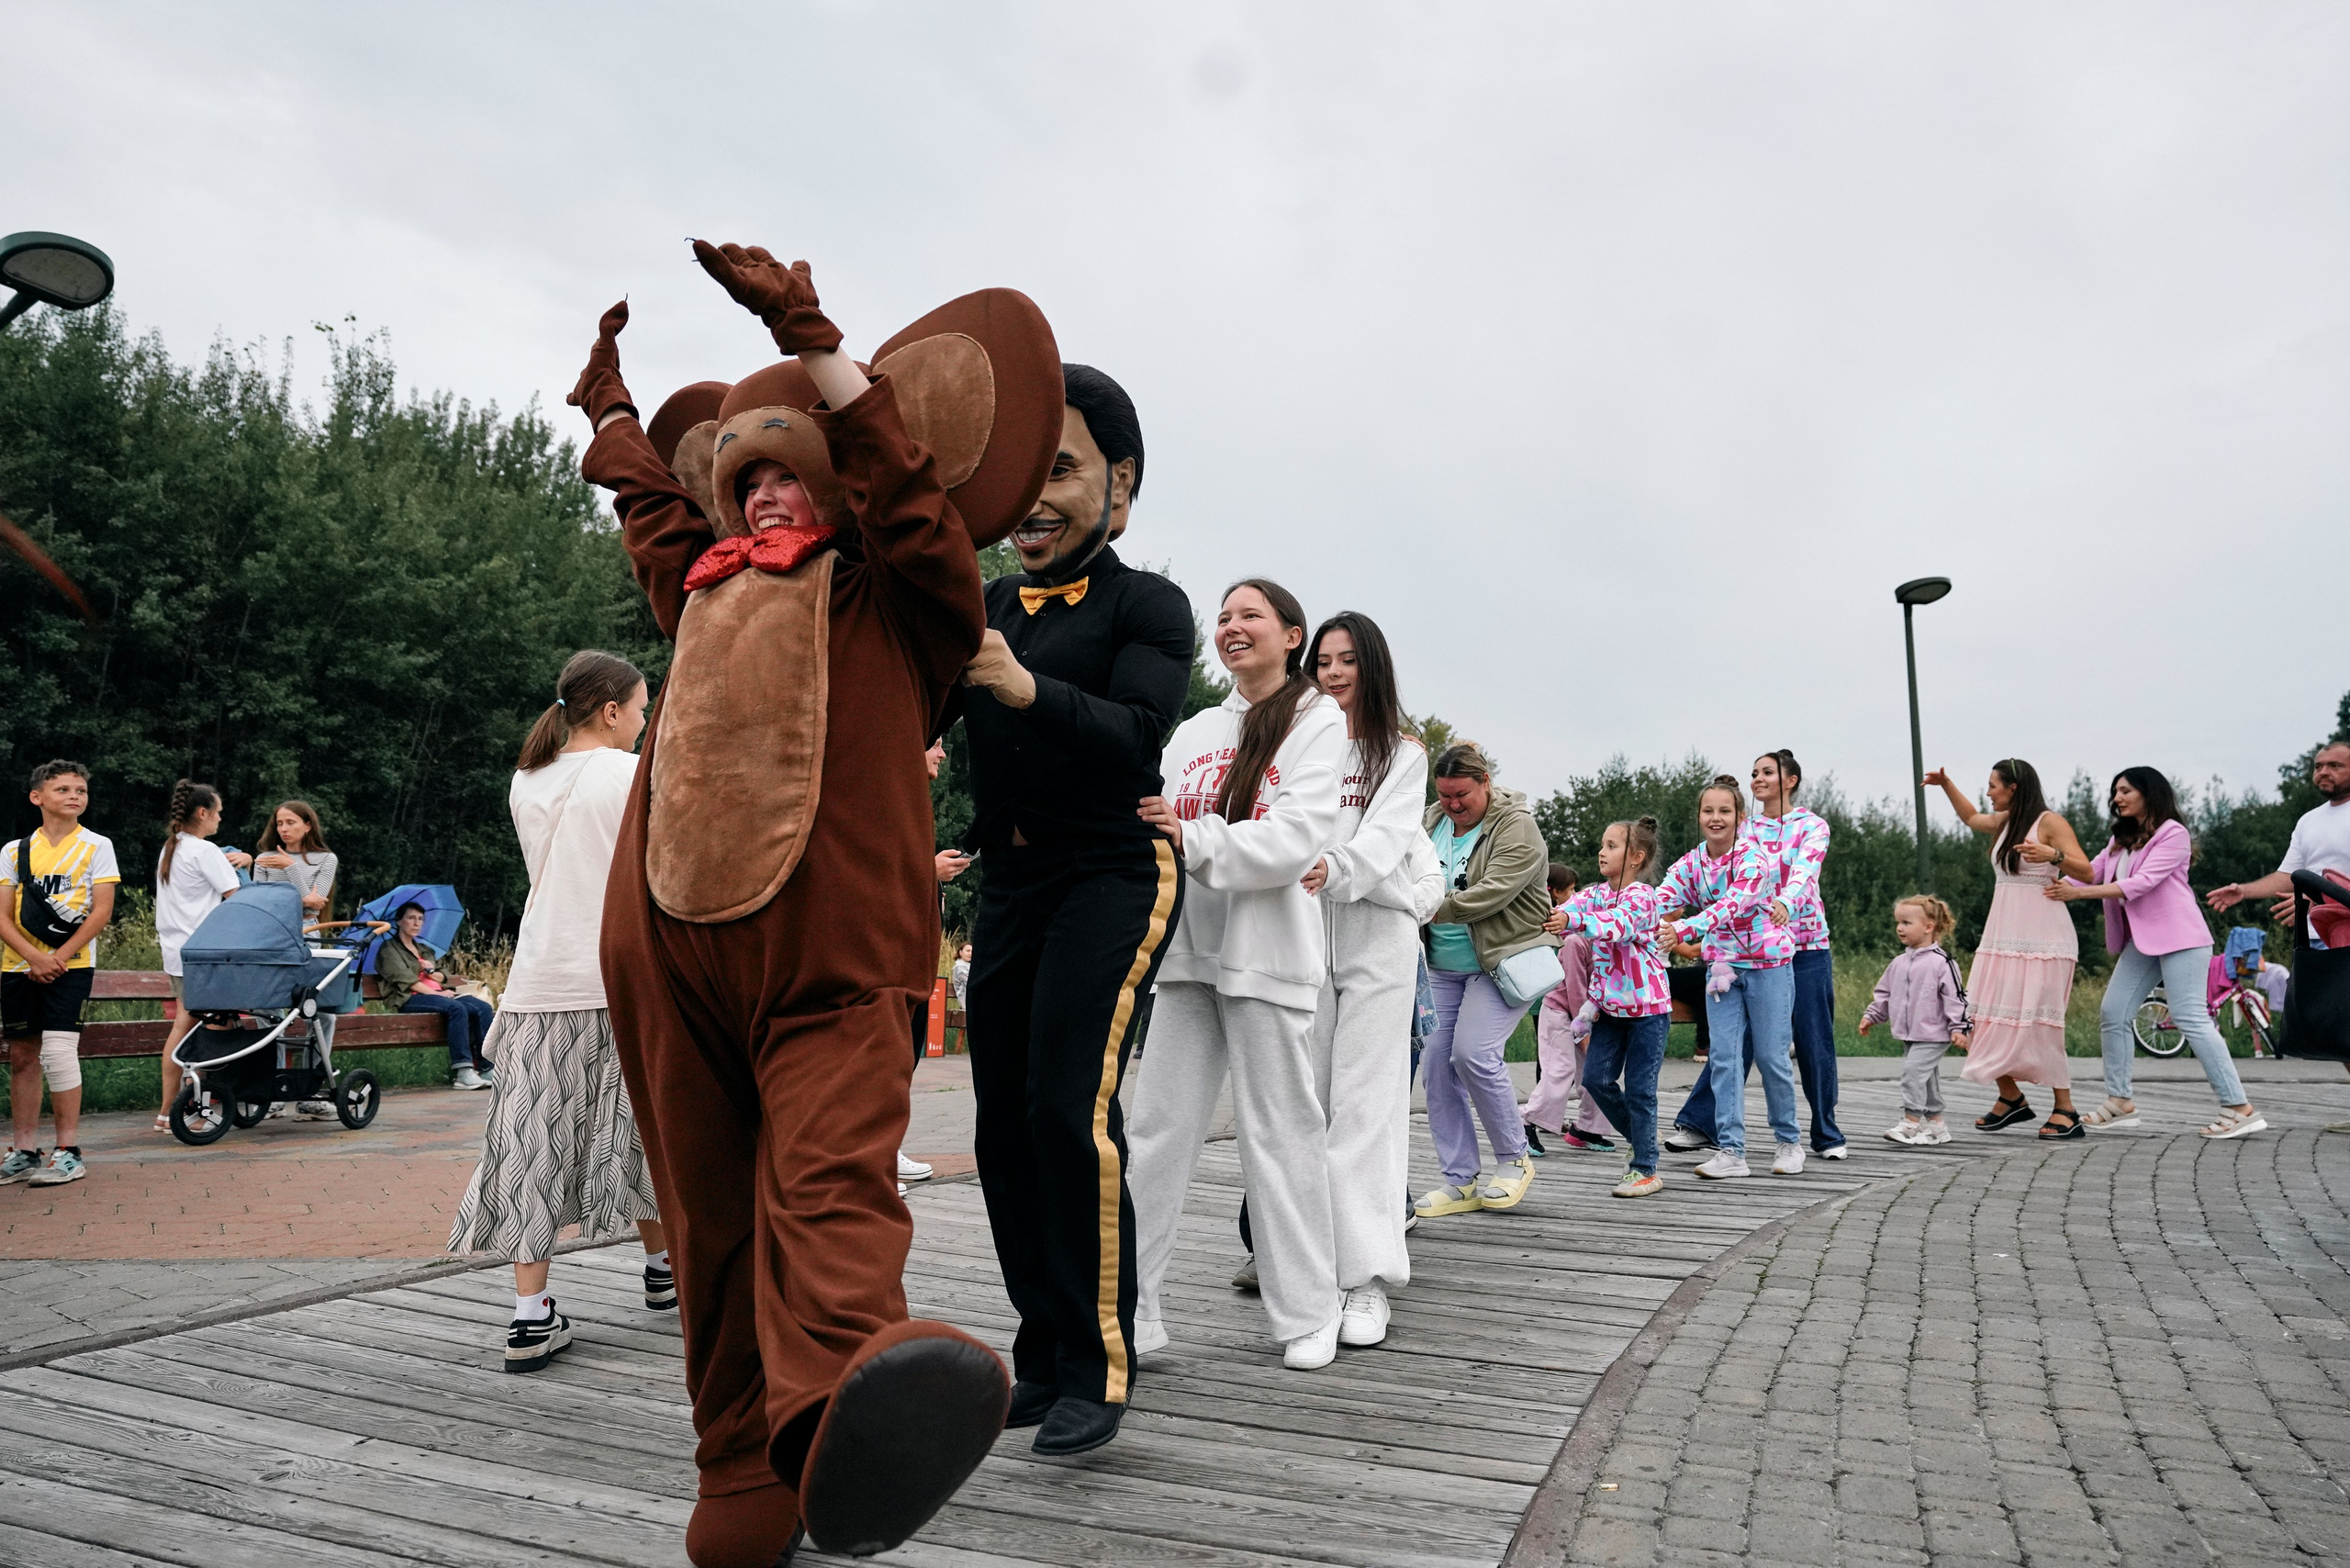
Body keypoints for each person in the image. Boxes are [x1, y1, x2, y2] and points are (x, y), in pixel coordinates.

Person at [569, 245, 1056, 1564]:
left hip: (834, 947)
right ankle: (742, 1468)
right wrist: (611, 417)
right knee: (710, 1213)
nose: (764, 488)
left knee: (828, 1184)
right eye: (747, 473)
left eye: (790, 469)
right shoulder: (701, 595)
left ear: (838, 481)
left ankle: (847, 1406)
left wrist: (809, 329)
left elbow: (911, 498)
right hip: (673, 952)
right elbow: (654, 517)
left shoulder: (903, 601)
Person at [946, 363, 1193, 1453]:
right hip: (1010, 879)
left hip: (1112, 875)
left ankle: (1101, 1360)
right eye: (1015, 475)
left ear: (1121, 485)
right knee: (1000, 1116)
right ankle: (1040, 1349)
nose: (1031, 498)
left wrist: (1017, 686)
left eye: (1060, 469)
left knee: (1067, 1108)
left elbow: (1138, 733)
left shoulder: (1151, 605)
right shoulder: (985, 606)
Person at [1127, 579, 1346, 1371]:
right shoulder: (1191, 731)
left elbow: (1292, 842)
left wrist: (1193, 837)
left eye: (1250, 614)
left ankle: (1308, 1310)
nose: (1231, 627)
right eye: (1222, 617)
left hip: (1269, 959)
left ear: (1293, 635)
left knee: (1281, 1133)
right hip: (1187, 956)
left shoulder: (1321, 725)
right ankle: (1133, 1311)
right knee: (1154, 1135)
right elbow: (1148, 823)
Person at [450, 651, 669, 1371]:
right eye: (640, 710)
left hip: (541, 978)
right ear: (611, 710)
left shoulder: (527, 778)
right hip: (624, 974)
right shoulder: (631, 773)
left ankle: (529, 1313)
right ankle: (667, 1269)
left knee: (534, 1142)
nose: (642, 724)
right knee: (648, 1126)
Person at [1292, 610, 1438, 1351]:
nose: (1334, 672)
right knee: (1310, 1105)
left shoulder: (1402, 752)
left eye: (1348, 660)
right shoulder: (1295, 740)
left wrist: (1341, 870)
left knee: (1367, 1107)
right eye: (1323, 661)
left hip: (1377, 942)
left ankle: (1367, 1280)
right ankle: (1314, 1275)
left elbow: (1384, 846)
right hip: (1302, 932)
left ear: (1371, 667)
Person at [2053, 767, 2265, 1138]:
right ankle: (2120, 1102)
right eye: (2114, 791)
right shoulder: (2120, 840)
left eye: (2126, 791)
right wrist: (2046, 881)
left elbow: (2142, 883)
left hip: (2182, 937)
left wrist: (2078, 895)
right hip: (2143, 942)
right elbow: (2088, 873)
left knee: (2190, 1017)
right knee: (2113, 1012)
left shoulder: (2173, 834)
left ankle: (2239, 1107)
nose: (2117, 798)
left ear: (2150, 794)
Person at [1411, 741, 1561, 1219]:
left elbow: (1492, 892)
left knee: (1472, 1053)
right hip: (1443, 965)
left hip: (1502, 961)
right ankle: (1460, 1180)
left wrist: (1423, 905)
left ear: (1486, 784)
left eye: (1463, 796)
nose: (1453, 806)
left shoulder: (1515, 824)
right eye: (1445, 795)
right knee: (1435, 1062)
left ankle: (1515, 1158)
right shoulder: (1431, 820)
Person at [1923, 760, 2087, 1137]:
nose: (1989, 792)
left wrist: (2054, 857)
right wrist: (1946, 783)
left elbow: (2088, 872)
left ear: (2013, 787)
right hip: (2003, 936)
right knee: (1980, 1016)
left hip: (2045, 939)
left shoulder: (2049, 823)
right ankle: (2011, 1098)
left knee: (2039, 1025)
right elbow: (1971, 818)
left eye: (1993, 785)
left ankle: (2066, 1110)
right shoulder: (2006, 821)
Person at [1655, 776, 1803, 1177]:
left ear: (1740, 817)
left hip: (1768, 964)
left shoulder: (1754, 859)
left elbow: (1732, 905)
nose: (1715, 818)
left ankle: (1789, 1143)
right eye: (1708, 811)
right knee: (1723, 1057)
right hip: (1722, 969)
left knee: (1772, 1057)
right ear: (1700, 816)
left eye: (1725, 811)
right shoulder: (1691, 864)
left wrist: (1685, 929)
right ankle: (1731, 1151)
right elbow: (1658, 901)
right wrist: (1594, 917)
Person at [0, 761, 118, 1188]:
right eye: (63, 789)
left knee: (59, 1051)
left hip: (72, 966)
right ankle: (25, 1151)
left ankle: (68, 1152)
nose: (75, 796)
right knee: (22, 1057)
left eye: (81, 790)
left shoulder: (97, 845)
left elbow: (102, 910)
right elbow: (2, 915)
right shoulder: (14, 851)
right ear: (37, 797)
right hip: (18, 965)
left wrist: (59, 957)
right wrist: (32, 956)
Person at [1560, 818, 1672, 1197]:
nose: (1601, 852)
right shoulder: (1594, 894)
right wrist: (1547, 912)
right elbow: (1567, 911)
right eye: (1602, 844)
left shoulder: (1643, 898)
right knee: (1594, 1080)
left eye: (1611, 846)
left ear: (1636, 857)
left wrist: (1571, 919)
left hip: (1648, 1012)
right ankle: (1643, 1142)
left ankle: (1645, 1168)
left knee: (1641, 1090)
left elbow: (1615, 925)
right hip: (1609, 1011)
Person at [1749, 750, 1843, 1157]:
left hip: (1806, 946)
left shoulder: (1813, 826)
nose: (1757, 779)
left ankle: (1827, 1133)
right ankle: (1701, 1124)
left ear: (1790, 779)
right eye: (1754, 773)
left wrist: (1784, 902)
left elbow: (1805, 872)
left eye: (1767, 772)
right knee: (1740, 1042)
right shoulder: (1745, 828)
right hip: (1756, 950)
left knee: (1813, 1041)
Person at [153, 781, 249, 1129]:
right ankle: (193, 1110)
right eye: (218, 812)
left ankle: (168, 1111)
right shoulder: (204, 850)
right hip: (205, 954)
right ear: (202, 812)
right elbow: (238, 898)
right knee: (204, 1029)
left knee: (186, 1026)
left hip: (177, 953)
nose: (220, 819)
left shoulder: (171, 848)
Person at [252, 800, 341, 1119]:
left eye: (291, 822)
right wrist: (300, 898)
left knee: (322, 1013)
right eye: (279, 823)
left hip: (307, 937)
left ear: (307, 825)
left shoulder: (325, 859)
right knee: (268, 1011)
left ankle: (313, 1089)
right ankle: (273, 1090)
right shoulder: (263, 859)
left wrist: (289, 869)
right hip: (271, 937)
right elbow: (260, 903)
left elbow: (315, 906)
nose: (284, 829)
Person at [1858, 896, 1971, 1143]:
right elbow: (1884, 993)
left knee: (1912, 1074)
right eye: (1898, 922)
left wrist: (1960, 1028)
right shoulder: (1899, 962)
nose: (1900, 928)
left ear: (1928, 927)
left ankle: (1911, 1123)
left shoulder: (1943, 962)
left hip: (1935, 1033)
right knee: (1926, 1079)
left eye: (1907, 923)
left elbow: (1956, 998)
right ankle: (1937, 1126)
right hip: (1909, 1033)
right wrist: (1872, 1016)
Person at [1523, 865, 1615, 1152]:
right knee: (1559, 1071)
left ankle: (1587, 1128)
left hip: (1585, 1016)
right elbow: (1575, 989)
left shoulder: (1602, 940)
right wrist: (1584, 1030)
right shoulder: (1574, 941)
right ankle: (1523, 1123)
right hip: (1562, 1013)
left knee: (1595, 1074)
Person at [378, 902, 498, 1090]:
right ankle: (463, 1072)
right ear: (399, 921)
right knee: (456, 1008)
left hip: (439, 995)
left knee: (483, 1007)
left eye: (420, 919)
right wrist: (440, 994)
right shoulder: (389, 950)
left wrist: (432, 971)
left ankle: (488, 1068)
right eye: (411, 918)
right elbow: (408, 982)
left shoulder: (425, 950)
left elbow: (444, 976)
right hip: (410, 998)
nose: (416, 923)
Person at [951, 943, 972, 1009]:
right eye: (968, 951)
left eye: (972, 951)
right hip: (966, 1006)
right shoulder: (959, 968)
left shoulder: (970, 967)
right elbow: (970, 983)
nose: (970, 953)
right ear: (960, 952)